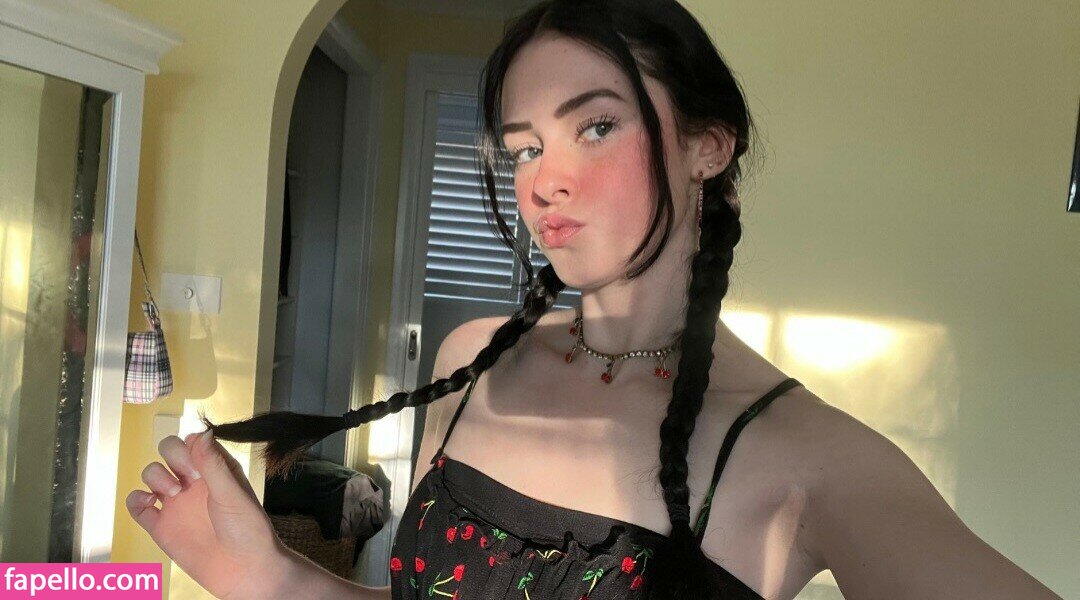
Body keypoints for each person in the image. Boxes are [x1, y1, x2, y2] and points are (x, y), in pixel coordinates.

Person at [126, 1, 1062, 598]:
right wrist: (267, 575)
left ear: (708, 145)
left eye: (598, 126)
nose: (544, 181)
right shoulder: (470, 361)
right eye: (526, 148)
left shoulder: (804, 457)